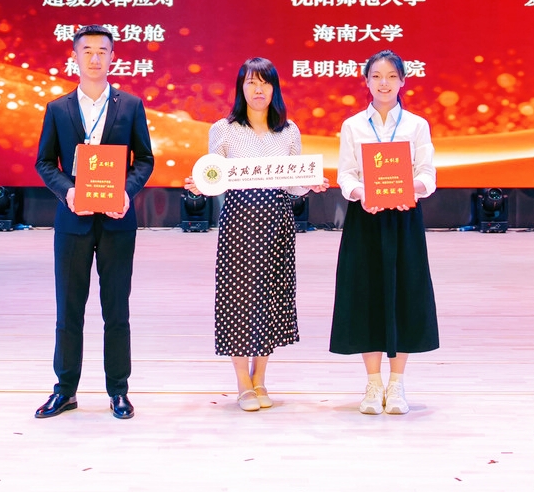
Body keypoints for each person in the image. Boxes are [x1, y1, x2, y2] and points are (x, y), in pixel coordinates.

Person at [185, 58, 327, 411]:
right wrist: (201, 184)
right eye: (251, 82)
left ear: (275, 88)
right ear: (241, 88)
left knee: (269, 299)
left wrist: (310, 184)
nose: (258, 89)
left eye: (265, 82)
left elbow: (292, 184)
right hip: (239, 224)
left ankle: (260, 378)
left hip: (278, 225)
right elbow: (214, 177)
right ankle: (242, 383)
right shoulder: (224, 129)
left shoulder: (288, 131)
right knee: (238, 298)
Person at [33, 25, 155, 420]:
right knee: (68, 310)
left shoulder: (130, 105)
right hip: (73, 220)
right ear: (75, 57)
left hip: (118, 220)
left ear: (112, 57)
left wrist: (126, 191)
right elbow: (44, 162)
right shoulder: (58, 108)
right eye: (87, 51)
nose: (95, 57)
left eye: (103, 50)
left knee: (116, 310)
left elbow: (145, 159)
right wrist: (68, 191)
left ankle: (118, 391)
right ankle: (65, 390)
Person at [330, 49, 439, 415]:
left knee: (404, 294)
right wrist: (362, 193)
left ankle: (397, 384)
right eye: (376, 76)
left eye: (392, 76)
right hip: (365, 219)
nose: (384, 83)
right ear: (366, 81)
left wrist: (411, 190)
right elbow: (346, 174)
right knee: (366, 295)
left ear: (403, 81)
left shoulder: (416, 125)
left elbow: (427, 174)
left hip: (404, 219)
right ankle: (373, 384)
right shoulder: (352, 125)